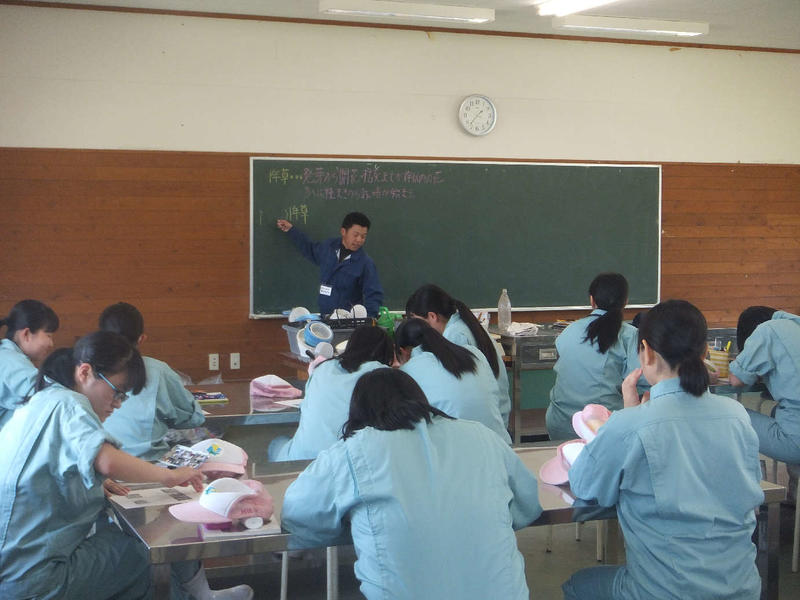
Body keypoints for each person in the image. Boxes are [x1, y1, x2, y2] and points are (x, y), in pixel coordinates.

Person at [0, 331, 253, 600]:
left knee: (128, 544)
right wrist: (168, 477)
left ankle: (200, 595)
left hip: (13, 571)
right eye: (117, 392)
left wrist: (94, 479)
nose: (118, 404)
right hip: (35, 580)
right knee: (145, 549)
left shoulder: (41, 400)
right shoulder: (69, 403)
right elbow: (107, 460)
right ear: (85, 372)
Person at [281, 368, 542, 600]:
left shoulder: (353, 452)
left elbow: (299, 512)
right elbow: (527, 504)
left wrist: (351, 526)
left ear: (358, 412)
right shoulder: (483, 436)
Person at [563, 300, 764, 600]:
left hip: (667, 592)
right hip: (742, 589)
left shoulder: (629, 424)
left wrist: (627, 416)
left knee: (577, 585)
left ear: (646, 352)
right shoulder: (736, 415)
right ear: (705, 352)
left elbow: (585, 486)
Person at [268, 325, 395, 461]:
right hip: (346, 462)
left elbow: (305, 408)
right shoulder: (382, 375)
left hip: (301, 458)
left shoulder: (323, 367)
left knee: (277, 443)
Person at [98, 302, 205, 460]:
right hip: (145, 463)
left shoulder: (86, 375)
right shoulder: (157, 371)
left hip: (105, 463)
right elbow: (190, 416)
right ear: (141, 339)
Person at [546, 273, 646, 440]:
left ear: (592, 300)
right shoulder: (630, 335)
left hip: (560, 425)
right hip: (604, 429)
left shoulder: (569, 331)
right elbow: (642, 383)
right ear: (626, 301)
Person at [405, 283, 510, 426]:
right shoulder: (464, 323)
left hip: (486, 421)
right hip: (497, 415)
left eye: (419, 323)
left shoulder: (455, 336)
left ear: (432, 316)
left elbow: (456, 390)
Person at [395, 317, 511, 444]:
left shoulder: (410, 369)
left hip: (461, 447)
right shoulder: (474, 353)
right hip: (501, 443)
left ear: (402, 351)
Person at [729, 306, 800, 473]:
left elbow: (736, 380)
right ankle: (793, 488)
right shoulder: (794, 325)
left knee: (726, 414)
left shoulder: (767, 330)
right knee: (777, 411)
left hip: (796, 442)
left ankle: (743, 480)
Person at [276, 211, 383, 317]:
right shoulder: (328, 247)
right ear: (343, 232)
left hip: (348, 321)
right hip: (325, 316)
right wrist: (291, 230)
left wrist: (368, 319)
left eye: (363, 236)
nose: (359, 240)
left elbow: (374, 295)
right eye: (355, 235)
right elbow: (310, 249)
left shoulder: (365, 263)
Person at [0, 299, 59, 429]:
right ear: (26, 334)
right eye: (48, 335)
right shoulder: (10, 361)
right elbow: (47, 395)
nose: (51, 344)